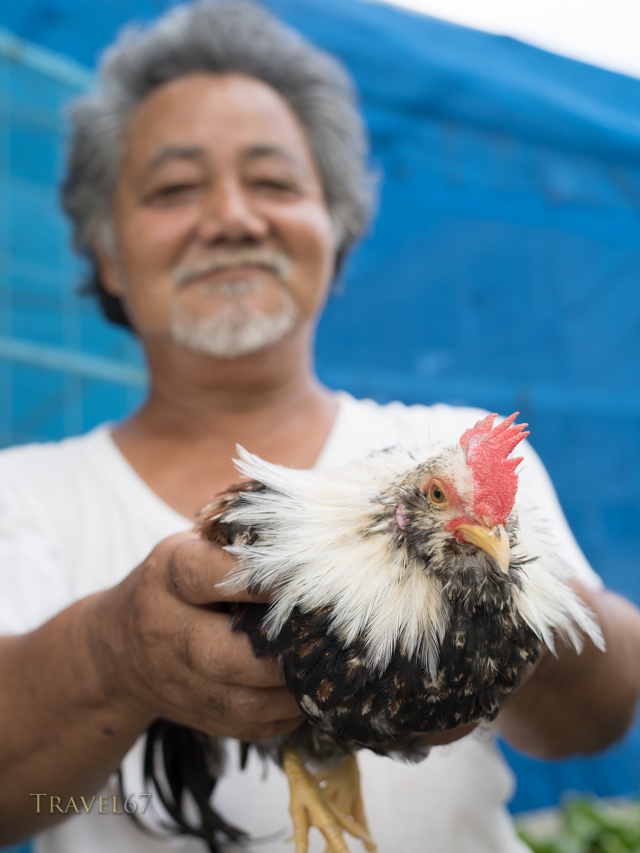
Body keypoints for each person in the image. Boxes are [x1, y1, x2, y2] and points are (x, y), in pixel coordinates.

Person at [1, 2, 639, 851]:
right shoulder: (21, 493)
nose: (233, 216)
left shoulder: (456, 443)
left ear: (334, 230)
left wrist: (513, 612)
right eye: (174, 188)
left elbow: (599, 717)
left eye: (274, 182)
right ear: (107, 251)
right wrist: (110, 654)